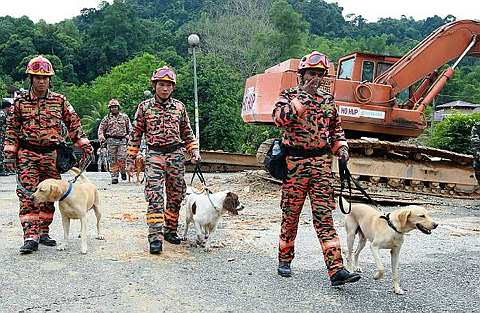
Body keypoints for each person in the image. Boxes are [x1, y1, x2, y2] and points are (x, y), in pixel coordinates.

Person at [272, 51, 361, 286]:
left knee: (324, 218)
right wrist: (303, 98)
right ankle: (285, 259)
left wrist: (341, 147)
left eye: (320, 74)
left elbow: (336, 130)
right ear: (302, 75)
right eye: (311, 73)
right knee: (290, 215)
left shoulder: (328, 101)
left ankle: (336, 269)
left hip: (321, 166)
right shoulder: (288, 96)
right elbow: (279, 119)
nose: (316, 78)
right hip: (295, 165)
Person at [3, 55, 93, 254]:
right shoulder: (20, 102)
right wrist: (9, 153)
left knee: (51, 194)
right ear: (30, 79)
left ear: (50, 79)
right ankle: (30, 236)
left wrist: (85, 145)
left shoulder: (59, 100)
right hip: (27, 154)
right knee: (28, 194)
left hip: (52, 156)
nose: (41, 81)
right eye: (37, 77)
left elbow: (74, 124)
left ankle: (43, 232)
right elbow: (11, 130)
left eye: (45, 78)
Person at [127, 66, 201, 254]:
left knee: (176, 195)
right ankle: (155, 236)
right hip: (154, 155)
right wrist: (131, 157)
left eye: (168, 85)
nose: (165, 88)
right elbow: (135, 134)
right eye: (161, 84)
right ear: (154, 85)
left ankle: (170, 230)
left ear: (173, 87)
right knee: (155, 196)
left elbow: (187, 132)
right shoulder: (144, 107)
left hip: (176, 155)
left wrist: (194, 150)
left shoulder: (179, 107)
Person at [98, 99, 132, 184]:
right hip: (111, 141)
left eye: (115, 107)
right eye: (112, 107)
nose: (113, 109)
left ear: (118, 107)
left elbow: (130, 129)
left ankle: (123, 170)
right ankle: (114, 177)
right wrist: (101, 136)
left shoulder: (124, 117)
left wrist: (130, 137)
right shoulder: (106, 118)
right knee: (112, 159)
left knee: (122, 158)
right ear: (109, 108)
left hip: (122, 141)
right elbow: (101, 129)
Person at [0, 98, 14, 176]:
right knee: (1, 153)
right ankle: (1, 170)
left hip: (3, 137)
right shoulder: (2, 115)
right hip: (1, 137)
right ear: (7, 107)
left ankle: (4, 169)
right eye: (10, 107)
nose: (11, 109)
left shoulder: (4, 114)